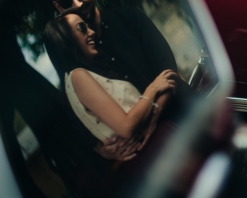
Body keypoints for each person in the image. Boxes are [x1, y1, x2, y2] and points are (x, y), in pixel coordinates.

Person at [45, 0, 189, 161]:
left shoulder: (131, 17)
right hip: (150, 156)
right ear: (58, 7)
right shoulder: (74, 69)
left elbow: (168, 71)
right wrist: (101, 149)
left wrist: (152, 119)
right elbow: (75, 116)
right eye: (67, 2)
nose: (77, 4)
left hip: (185, 115)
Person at [44, 12, 179, 146]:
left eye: (88, 26)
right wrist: (153, 88)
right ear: (65, 38)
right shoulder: (78, 76)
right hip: (153, 146)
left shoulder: (72, 79)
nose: (91, 32)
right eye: (81, 28)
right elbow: (126, 127)